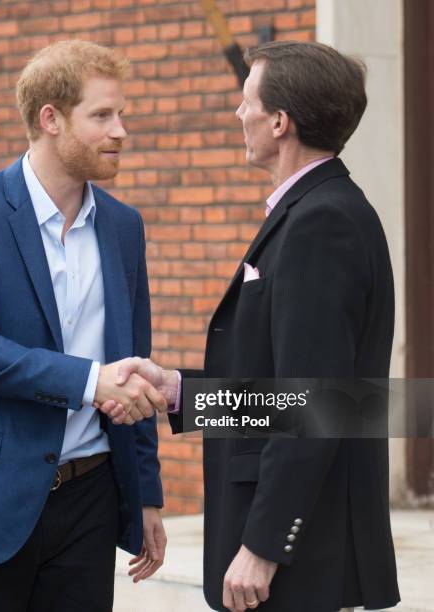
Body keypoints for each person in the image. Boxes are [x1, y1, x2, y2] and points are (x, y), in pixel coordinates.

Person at [106, 41, 401, 612]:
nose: (239, 115)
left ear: (280, 122)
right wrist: (179, 392)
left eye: (247, 103)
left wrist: (265, 545)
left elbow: (315, 401)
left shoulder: (322, 222)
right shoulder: (317, 210)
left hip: (302, 555)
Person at [0, 40, 168, 612]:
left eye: (122, 114)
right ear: (50, 118)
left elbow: (134, 365)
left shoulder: (124, 227)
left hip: (90, 507)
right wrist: (88, 381)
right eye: (102, 115)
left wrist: (145, 495)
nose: (120, 130)